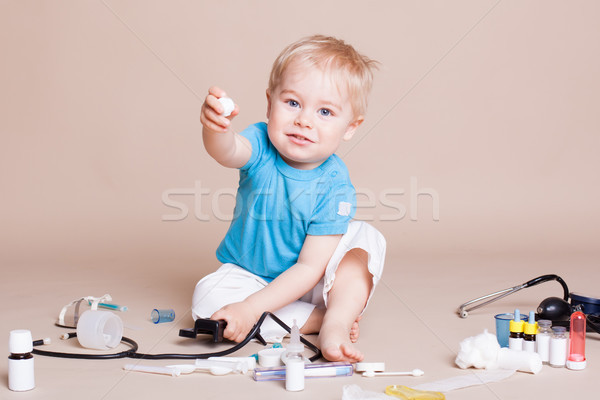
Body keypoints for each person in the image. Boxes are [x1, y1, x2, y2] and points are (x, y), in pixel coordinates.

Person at [194, 35, 386, 362]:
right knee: (206, 300)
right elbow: (227, 151)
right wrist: (216, 129)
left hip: (312, 279)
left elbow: (311, 267)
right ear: (270, 104)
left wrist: (251, 308)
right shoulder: (259, 144)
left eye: (325, 111)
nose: (304, 120)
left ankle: (335, 323)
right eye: (293, 103)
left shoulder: (335, 185)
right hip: (249, 275)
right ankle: (315, 319)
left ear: (350, 126)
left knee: (366, 240)